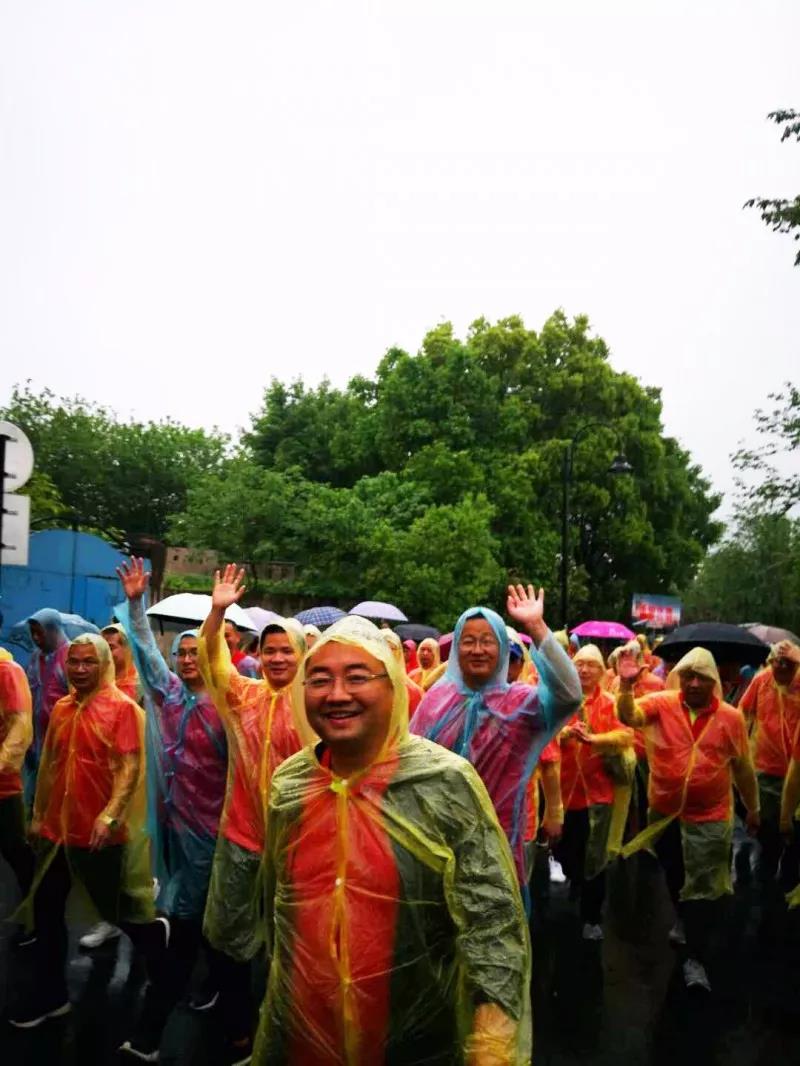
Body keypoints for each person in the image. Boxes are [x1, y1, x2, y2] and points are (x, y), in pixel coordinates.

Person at [252, 614, 531, 1064]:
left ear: (394, 687)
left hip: (413, 1042)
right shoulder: (291, 785)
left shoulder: (444, 784)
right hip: (304, 1035)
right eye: (319, 679)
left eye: (356, 677)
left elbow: (492, 924)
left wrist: (491, 1044)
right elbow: (279, 915)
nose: (336, 694)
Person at [10, 634, 168, 1029]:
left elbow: (129, 768)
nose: (79, 670)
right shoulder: (63, 708)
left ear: (104, 664)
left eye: (89, 662)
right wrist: (39, 814)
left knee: (118, 911)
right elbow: (50, 766)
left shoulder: (122, 709)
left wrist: (109, 815)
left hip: (99, 834)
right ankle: (52, 997)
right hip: (58, 832)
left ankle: (158, 949)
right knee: (47, 909)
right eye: (74, 662)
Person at [112, 558, 234, 1062]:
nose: (186, 660)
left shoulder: (230, 707)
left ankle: (151, 1033)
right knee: (205, 921)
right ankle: (225, 997)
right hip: (174, 827)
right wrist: (136, 603)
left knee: (186, 929)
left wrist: (217, 615)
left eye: (194, 651)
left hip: (212, 834)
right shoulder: (172, 697)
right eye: (181, 652)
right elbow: (145, 651)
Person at [195, 565, 313, 1062]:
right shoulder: (244, 697)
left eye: (287, 650)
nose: (278, 658)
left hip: (299, 847)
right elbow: (211, 660)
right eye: (270, 650)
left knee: (295, 945)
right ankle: (239, 1026)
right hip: (242, 838)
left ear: (302, 655)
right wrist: (217, 610)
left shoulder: (316, 706)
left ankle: (287, 1029)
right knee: (229, 937)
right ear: (258, 656)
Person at [410, 585, 581, 902]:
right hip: (438, 839)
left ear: (502, 649)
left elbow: (569, 694)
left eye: (487, 641)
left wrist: (536, 626)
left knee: (494, 921)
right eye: (468, 641)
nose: (478, 650)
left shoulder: (521, 704)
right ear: (456, 650)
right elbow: (410, 767)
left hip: (498, 842)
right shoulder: (436, 701)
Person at [617, 646, 759, 992]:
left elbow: (743, 768)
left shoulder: (731, 718)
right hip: (665, 814)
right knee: (675, 873)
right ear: (679, 678)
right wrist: (625, 686)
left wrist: (753, 808)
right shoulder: (662, 704)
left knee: (704, 889)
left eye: (702, 678)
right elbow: (630, 716)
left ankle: (695, 956)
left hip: (709, 818)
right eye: (688, 676)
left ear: (715, 682)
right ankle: (681, 914)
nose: (694, 684)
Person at [554, 644, 633, 940]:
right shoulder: (562, 700)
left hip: (598, 796)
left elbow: (627, 735)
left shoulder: (610, 703)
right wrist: (565, 734)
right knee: (565, 851)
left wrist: (595, 740)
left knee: (596, 857)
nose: (584, 670)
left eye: (591, 665)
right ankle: (576, 878)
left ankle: (592, 916)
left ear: (602, 671)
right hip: (563, 794)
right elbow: (544, 732)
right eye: (579, 664)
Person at [738, 639, 800, 891]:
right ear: (770, 662)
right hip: (765, 767)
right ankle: (766, 874)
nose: (782, 667)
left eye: (789, 663)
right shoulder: (761, 680)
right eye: (777, 662)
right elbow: (743, 713)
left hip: (796, 769)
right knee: (768, 827)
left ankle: (789, 874)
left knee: (793, 828)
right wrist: (739, 749)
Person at [23, 609, 71, 802]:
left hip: (61, 738)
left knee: (56, 792)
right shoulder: (36, 658)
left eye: (40, 633)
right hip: (36, 736)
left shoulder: (70, 657)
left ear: (53, 631)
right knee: (35, 791)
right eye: (33, 633)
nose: (35, 638)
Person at [0, 649, 34, 910]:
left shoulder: (7, 672)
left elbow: (20, 728)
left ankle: (36, 912)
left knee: (15, 850)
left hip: (3, 785)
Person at [381, 630, 424, 716]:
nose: (387, 653)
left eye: (392, 649)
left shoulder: (411, 691)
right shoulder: (361, 685)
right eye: (382, 647)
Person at [101, 623, 141, 701]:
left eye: (110, 648)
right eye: (102, 647)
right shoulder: (96, 681)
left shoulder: (142, 685)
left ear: (127, 648)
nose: (104, 653)